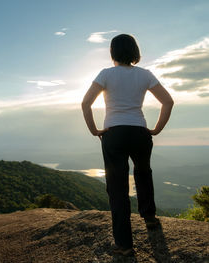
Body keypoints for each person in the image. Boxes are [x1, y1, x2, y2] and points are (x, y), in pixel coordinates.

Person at [81, 34, 174, 256]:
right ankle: (149, 216)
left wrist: (94, 130)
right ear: (135, 51)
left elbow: (85, 103)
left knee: (117, 187)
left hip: (114, 133)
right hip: (140, 132)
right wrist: (156, 128)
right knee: (143, 172)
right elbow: (168, 101)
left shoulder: (106, 74)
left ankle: (124, 245)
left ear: (112, 52)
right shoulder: (145, 75)